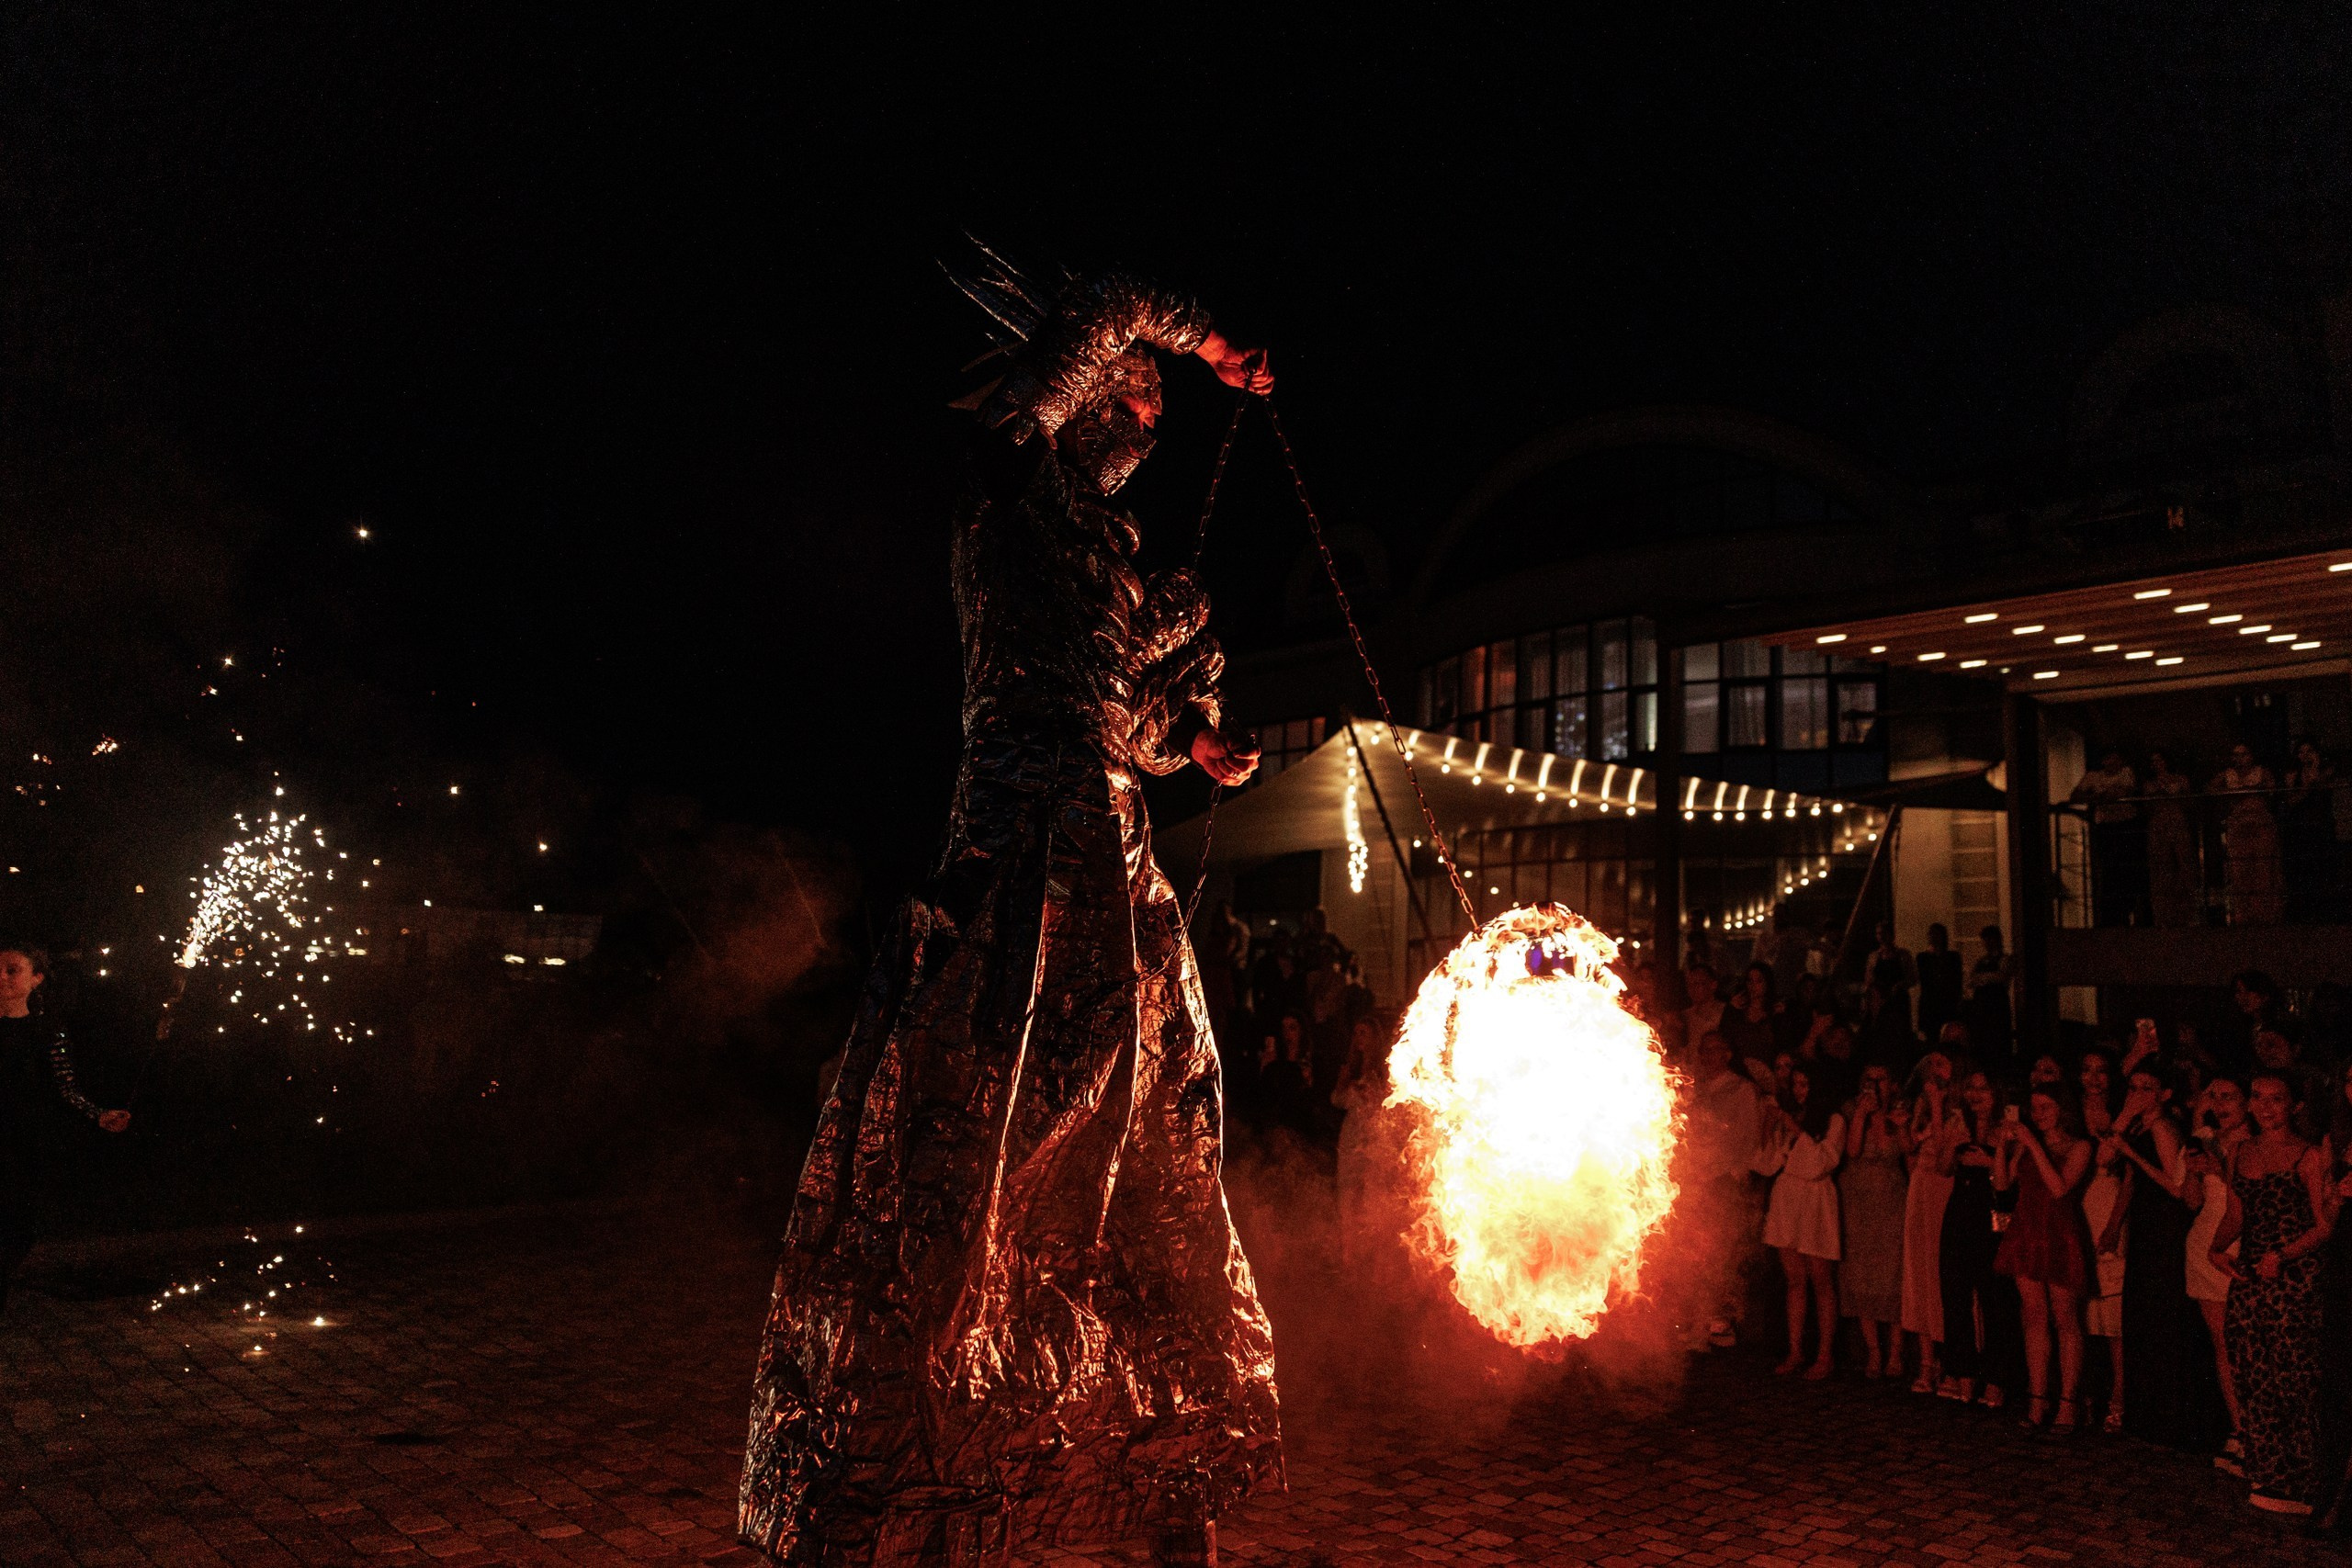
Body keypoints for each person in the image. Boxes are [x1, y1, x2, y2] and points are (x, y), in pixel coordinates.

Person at [740, 260, 1281, 1566]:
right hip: (1015, 851)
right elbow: (1111, 294)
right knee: (968, 1156)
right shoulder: (1003, 495)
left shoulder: (1109, 554)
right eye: (1131, 395)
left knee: (1146, 1153)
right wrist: (1205, 336)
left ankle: (1150, 1468)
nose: (1148, 425)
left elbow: (1131, 718)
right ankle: (889, 1468)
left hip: (1113, 857)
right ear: (1072, 393)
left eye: (1156, 412)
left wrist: (1191, 743)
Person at [2210, 1073, 2334, 1515]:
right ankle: (2266, 1468)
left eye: (2276, 1099)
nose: (2265, 1107)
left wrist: (2283, 1255)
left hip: (2294, 1278)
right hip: (2252, 1273)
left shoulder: (2309, 1154)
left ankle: (2302, 1482)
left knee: (2294, 1376)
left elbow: (2325, 1225)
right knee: (2251, 1370)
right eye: (2258, 1098)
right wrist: (2216, 1248)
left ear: (2294, 1104)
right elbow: (2235, 1212)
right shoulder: (2239, 1151)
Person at [0, 942, 132, 1311]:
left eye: (13, 970)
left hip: (22, 1147)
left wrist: (97, 1114)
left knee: (15, 1233)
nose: (2, 977)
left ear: (36, 979)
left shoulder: (46, 1032)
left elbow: (64, 1087)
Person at [2107, 1060, 2209, 1451]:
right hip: (2145, 1225)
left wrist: (2135, 1155)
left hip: (2165, 1227)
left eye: (2147, 1088)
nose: (2137, 1094)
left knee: (2162, 1316)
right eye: (2133, 1086)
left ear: (2164, 1094)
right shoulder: (2138, 1125)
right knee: (2143, 1315)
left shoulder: (2164, 1128)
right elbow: (2112, 1158)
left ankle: (2169, 1421)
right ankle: (2145, 1415)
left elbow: (2177, 1186)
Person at [1995, 1085, 2097, 1434]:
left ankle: (2068, 1403)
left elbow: (2060, 1187)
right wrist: (2003, 1147)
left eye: (2046, 1107)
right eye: (2034, 1108)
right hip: (2026, 1231)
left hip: (2059, 1234)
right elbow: (2004, 1183)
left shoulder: (2080, 1146)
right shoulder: (2027, 1143)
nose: (2038, 1115)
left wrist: (2033, 1145)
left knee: (2065, 1317)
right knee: (2033, 1316)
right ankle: (2037, 1399)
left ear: (2062, 1109)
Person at [1755, 1062, 1845, 1379]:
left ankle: (1824, 1355)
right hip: (1788, 1198)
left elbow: (1822, 1163)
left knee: (1820, 1280)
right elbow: (1766, 1164)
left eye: (1805, 1085)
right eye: (1796, 1085)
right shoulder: (1790, 1118)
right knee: (1794, 1280)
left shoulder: (1833, 1121)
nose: (1799, 1091)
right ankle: (1795, 1350)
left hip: (1816, 1200)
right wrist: (1769, 1123)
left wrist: (1793, 1126)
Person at [1937, 1070, 2018, 1408]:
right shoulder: (1960, 1124)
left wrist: (1988, 1161)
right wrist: (1951, 1146)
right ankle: (1963, 1371)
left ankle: (1997, 1377)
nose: (1975, 1094)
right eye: (1970, 1087)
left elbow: (2009, 1178)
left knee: (1994, 1295)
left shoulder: (2007, 1126)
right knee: (1954, 1292)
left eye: (1982, 1088)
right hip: (1960, 1209)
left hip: (1993, 1212)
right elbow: (1943, 1169)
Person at [2185, 1075, 2252, 1469]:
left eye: (2230, 1096)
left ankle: (2260, 1431)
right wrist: (2196, 1169)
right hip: (2204, 1243)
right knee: (2222, 1344)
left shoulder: (2254, 1142)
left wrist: (2220, 1165)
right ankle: (2238, 1428)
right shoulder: (2205, 1136)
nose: (2221, 1104)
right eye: (2214, 1096)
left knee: (2248, 1342)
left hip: (2241, 1242)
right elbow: (2191, 1200)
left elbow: (2243, 1196)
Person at [1685, 1028, 1763, 1349]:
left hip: (1724, 1182)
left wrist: (1738, 1178)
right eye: (1703, 1050)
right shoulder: (1697, 1089)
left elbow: (1750, 1136)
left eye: (1714, 1050)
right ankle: (1700, 1323)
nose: (1708, 1056)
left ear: (1727, 1054)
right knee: (1698, 1254)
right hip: (1696, 1181)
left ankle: (1722, 1323)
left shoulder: (1741, 1089)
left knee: (1722, 1252)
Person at [1839, 1063, 1908, 1377]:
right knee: (1862, 1273)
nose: (1875, 1084)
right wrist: (1862, 1117)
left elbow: (1904, 1150)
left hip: (1891, 1200)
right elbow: (1852, 1151)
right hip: (1859, 1200)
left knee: (1892, 1274)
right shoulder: (1852, 1110)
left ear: (1892, 1084)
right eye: (1870, 1078)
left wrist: (1896, 1124)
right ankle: (1874, 1353)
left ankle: (1896, 1353)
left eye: (1882, 1079)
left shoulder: (1900, 1111)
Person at [1900, 1041, 1959, 1393]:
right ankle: (1926, 1360)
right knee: (1919, 1270)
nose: (1936, 1068)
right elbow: (1911, 1149)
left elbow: (1940, 1153)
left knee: (1942, 1272)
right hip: (1920, 1188)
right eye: (1932, 1062)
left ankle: (1951, 1358)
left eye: (1944, 1062)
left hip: (1944, 1187)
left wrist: (1937, 1105)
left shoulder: (1957, 1108)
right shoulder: (1921, 1105)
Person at [2076, 1047, 2130, 1431]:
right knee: (2083, 1311)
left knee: (2113, 1317)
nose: (2094, 1078)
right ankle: (2087, 1391)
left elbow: (2128, 1175)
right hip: (2077, 1208)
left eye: (2102, 1070)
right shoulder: (2069, 1112)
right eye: (2087, 1069)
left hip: (2108, 1206)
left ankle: (2120, 1396)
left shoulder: (2122, 1113)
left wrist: (2114, 1223)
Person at [2211, 742, 2285, 926]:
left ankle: (2266, 915)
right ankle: (2244, 915)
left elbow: (2272, 789)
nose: (2239, 759)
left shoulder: (2262, 772)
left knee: (2263, 868)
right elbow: (2210, 789)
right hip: (2238, 827)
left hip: (2260, 825)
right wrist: (2228, 793)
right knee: (2239, 870)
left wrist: (2256, 790)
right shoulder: (2227, 775)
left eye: (2243, 754)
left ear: (2251, 756)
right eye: (2236, 755)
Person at [2071, 748, 2144, 926]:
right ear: (2104, 761)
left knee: (2126, 869)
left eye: (2117, 758)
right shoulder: (2093, 776)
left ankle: (2127, 911)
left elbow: (2124, 792)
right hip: (2106, 826)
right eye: (2111, 758)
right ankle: (2111, 915)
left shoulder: (2127, 773)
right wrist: (2099, 796)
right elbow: (2075, 795)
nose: (2115, 762)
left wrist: (2101, 796)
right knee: (2108, 870)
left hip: (2125, 826)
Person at [2283, 739, 2341, 923]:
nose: (2306, 755)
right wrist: (2306, 787)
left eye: (2310, 751)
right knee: (2305, 868)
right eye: (2302, 752)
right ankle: (2306, 911)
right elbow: (2292, 800)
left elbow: (2319, 782)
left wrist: (2315, 766)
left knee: (2325, 867)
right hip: (2302, 826)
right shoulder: (2293, 775)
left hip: (2322, 824)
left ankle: (2326, 911)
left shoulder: (2327, 770)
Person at [2144, 750, 2201, 927]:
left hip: (2177, 824)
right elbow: (2147, 807)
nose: (2157, 764)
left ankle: (2188, 913)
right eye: (2153, 761)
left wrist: (2177, 794)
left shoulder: (2181, 780)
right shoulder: (2149, 784)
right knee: (2161, 869)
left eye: (2159, 760)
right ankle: (2163, 915)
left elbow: (2189, 803)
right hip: (2159, 826)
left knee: (2184, 866)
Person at [1860, 921, 1917, 1062]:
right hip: (1880, 1000)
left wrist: (1900, 985)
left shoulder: (1903, 955)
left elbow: (1913, 978)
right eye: (1878, 933)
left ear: (1891, 935)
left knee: (1900, 1032)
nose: (1881, 937)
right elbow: (1868, 980)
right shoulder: (1873, 957)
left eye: (1884, 933)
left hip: (1898, 1000)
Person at [1963, 926, 2013, 1058]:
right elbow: (1970, 981)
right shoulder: (1980, 961)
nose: (1987, 943)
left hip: (1997, 1005)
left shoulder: (2005, 959)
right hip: (1981, 1006)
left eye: (1990, 939)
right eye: (1985, 940)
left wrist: (1982, 978)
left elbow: (2002, 977)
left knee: (1997, 1037)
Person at [1916, 924, 1963, 1050]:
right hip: (1930, 1004)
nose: (1934, 937)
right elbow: (1924, 981)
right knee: (1931, 1038)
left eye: (1936, 934)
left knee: (1948, 1037)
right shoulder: (1923, 958)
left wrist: (1957, 1000)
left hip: (1947, 1003)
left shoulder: (1953, 957)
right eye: (1931, 934)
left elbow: (1957, 981)